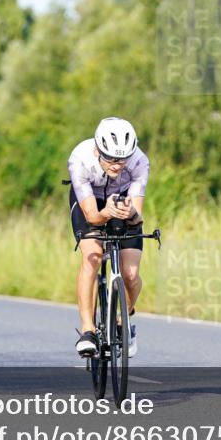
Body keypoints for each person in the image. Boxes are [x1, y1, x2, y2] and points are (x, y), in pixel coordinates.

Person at [66, 117, 149, 358]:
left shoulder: (140, 161)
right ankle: (88, 331)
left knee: (131, 275)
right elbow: (92, 215)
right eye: (111, 158)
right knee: (92, 257)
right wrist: (105, 213)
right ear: (98, 150)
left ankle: (124, 322)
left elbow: (137, 215)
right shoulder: (80, 159)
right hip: (90, 202)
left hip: (123, 202)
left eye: (122, 159)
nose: (117, 164)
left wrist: (130, 213)